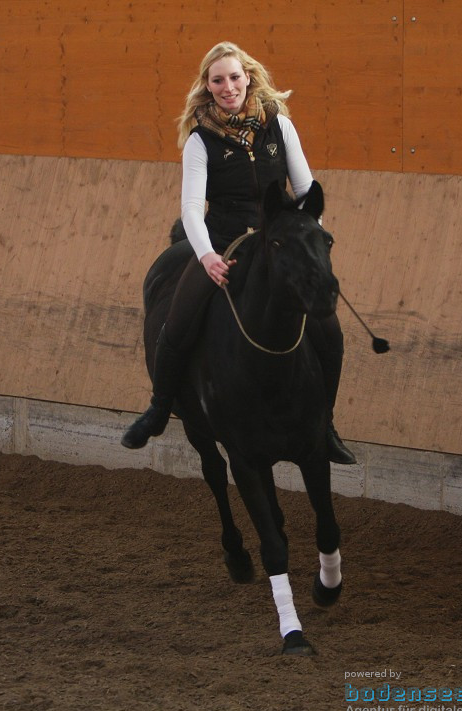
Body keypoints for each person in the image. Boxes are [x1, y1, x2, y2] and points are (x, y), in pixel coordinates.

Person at [121, 41, 356, 465]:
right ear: (207, 87)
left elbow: (304, 190)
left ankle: (327, 423)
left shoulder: (279, 126)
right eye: (218, 80)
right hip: (224, 242)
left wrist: (310, 241)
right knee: (177, 321)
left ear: (248, 77)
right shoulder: (200, 140)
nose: (227, 87)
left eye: (234, 77)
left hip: (278, 243)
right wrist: (207, 256)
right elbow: (191, 209)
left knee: (330, 332)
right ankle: (158, 408)